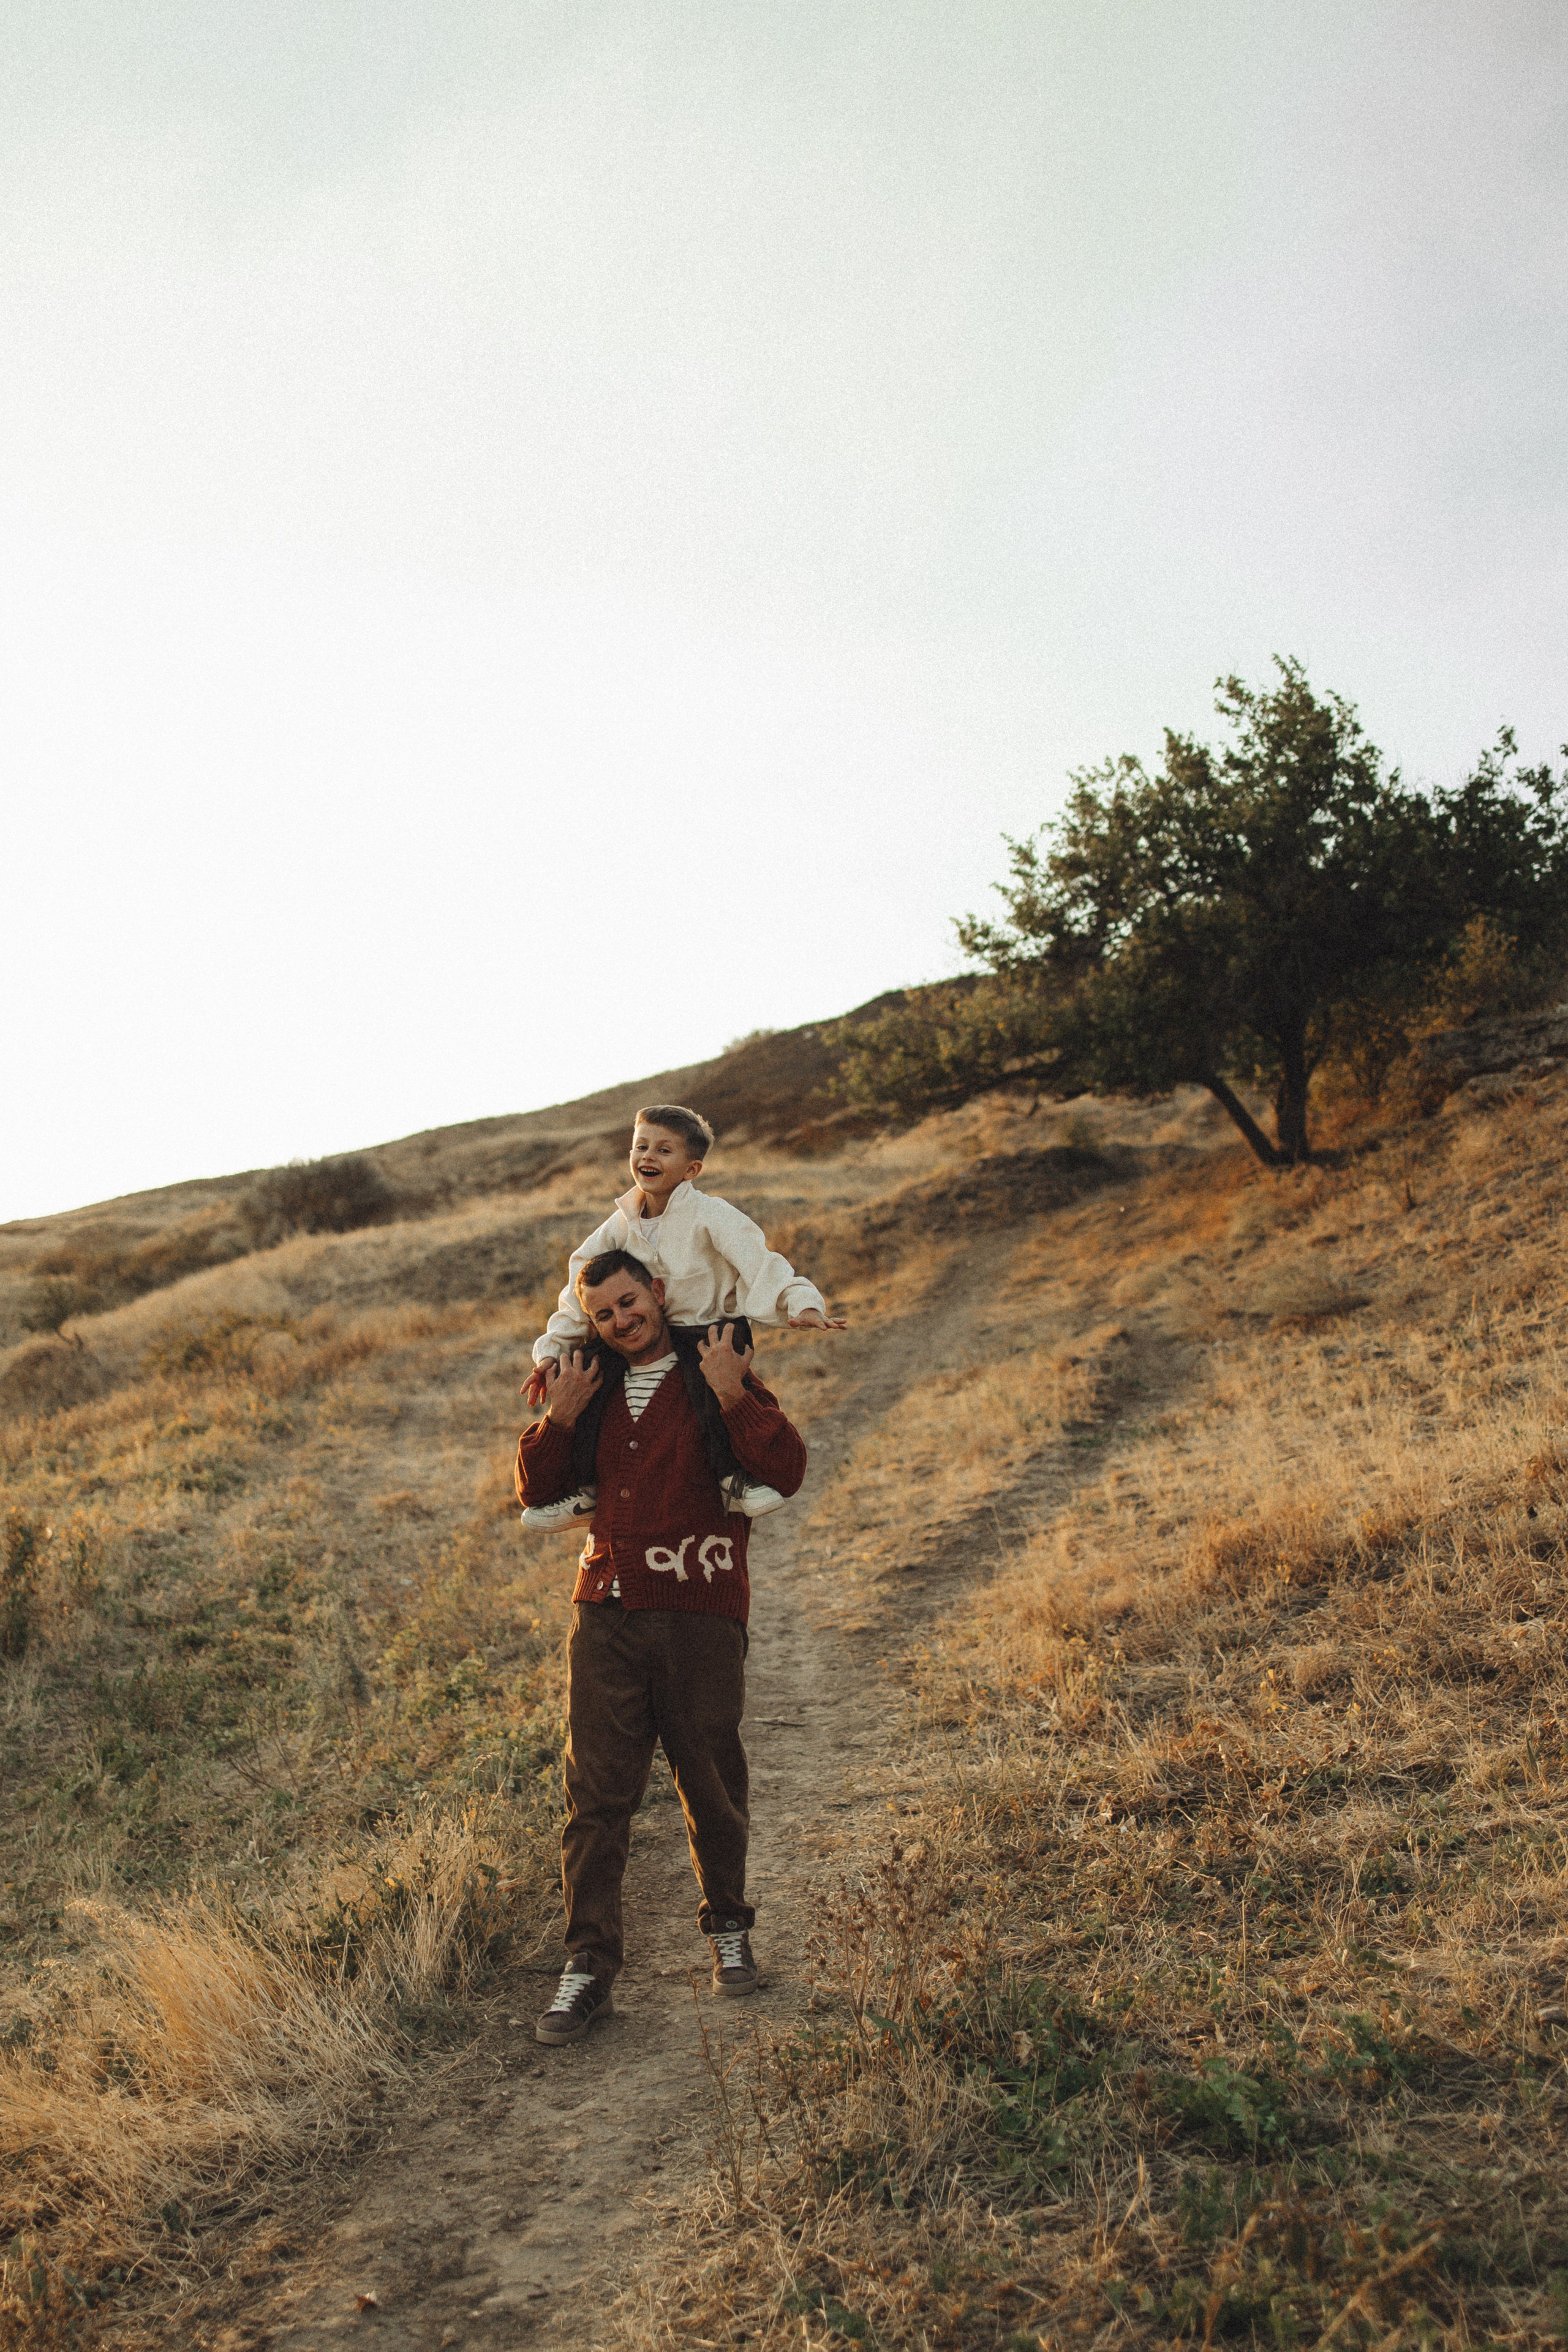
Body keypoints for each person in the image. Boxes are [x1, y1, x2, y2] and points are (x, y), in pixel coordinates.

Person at [516, 1248, 807, 2046]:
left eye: (629, 1302)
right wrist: (561, 1416)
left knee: (710, 1782)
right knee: (596, 1799)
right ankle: (586, 1970)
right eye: (603, 1313)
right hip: (604, 1612)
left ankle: (730, 1931)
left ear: (658, 1293)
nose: (621, 1320)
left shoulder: (716, 1367)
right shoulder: (591, 1386)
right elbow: (535, 1490)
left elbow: (784, 1464)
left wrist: (731, 1395)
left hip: (700, 1611)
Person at [519, 1102, 842, 1531]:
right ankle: (584, 1490)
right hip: (653, 1330)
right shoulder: (622, 1221)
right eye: (641, 1146)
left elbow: (760, 1262)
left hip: (713, 1329)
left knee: (705, 1391)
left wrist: (799, 1302)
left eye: (664, 1150)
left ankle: (733, 1479)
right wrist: (552, 1352)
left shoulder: (713, 1215)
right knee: (593, 1378)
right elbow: (581, 1282)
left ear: (691, 1169)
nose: (648, 1157)